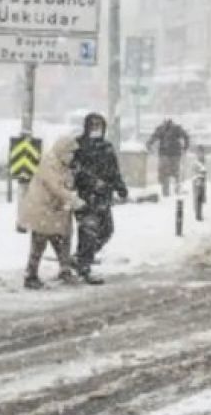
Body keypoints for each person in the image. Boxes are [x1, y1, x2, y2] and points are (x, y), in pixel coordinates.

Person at [18, 135, 85, 290]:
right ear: (61, 151)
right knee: (40, 243)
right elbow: (56, 188)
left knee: (61, 240)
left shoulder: (64, 166)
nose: (72, 157)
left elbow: (67, 184)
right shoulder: (49, 165)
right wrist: (73, 199)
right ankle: (31, 275)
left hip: (54, 211)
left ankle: (64, 270)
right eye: (69, 153)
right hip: (42, 210)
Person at [71, 113, 129, 285]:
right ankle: (84, 266)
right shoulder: (79, 146)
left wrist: (120, 187)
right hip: (85, 197)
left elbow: (113, 170)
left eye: (99, 125)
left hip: (104, 198)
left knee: (106, 230)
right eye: (93, 125)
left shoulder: (106, 147)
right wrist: (91, 182)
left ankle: (81, 257)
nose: (96, 128)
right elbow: (75, 171)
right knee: (88, 231)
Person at [147, 118, 190, 196]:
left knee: (166, 172)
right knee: (174, 172)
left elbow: (153, 138)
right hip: (174, 153)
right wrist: (185, 147)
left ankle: (168, 190)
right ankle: (175, 189)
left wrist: (149, 145)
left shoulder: (162, 129)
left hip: (167, 153)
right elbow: (186, 136)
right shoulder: (176, 128)